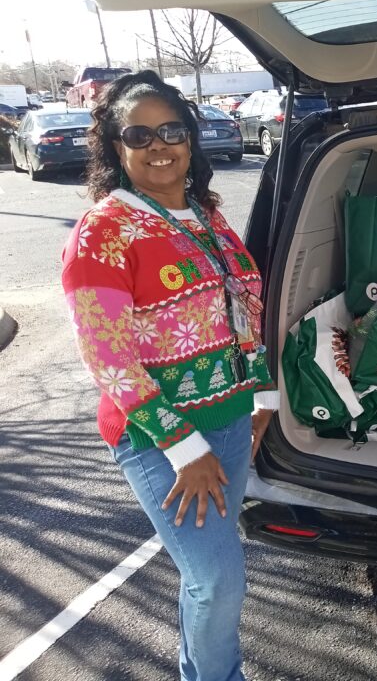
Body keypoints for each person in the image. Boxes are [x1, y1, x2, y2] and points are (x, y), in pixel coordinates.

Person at [61, 70, 278, 681]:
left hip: (233, 419)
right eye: (139, 135)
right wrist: (184, 448)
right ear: (115, 146)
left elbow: (246, 307)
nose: (159, 146)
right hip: (160, 435)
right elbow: (107, 354)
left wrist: (261, 394)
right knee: (216, 579)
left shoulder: (204, 213)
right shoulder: (104, 229)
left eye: (171, 130)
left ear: (191, 137)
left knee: (211, 574)